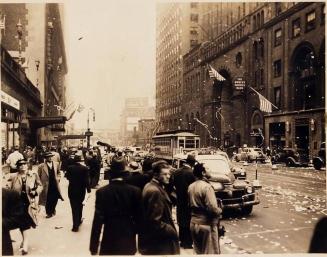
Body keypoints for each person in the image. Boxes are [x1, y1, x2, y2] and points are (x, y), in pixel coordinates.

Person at [89, 157, 142, 255]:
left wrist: (93, 247)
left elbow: (97, 221)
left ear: (111, 173)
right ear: (126, 174)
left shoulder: (102, 192)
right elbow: (140, 218)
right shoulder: (135, 191)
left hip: (109, 236)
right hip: (128, 237)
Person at [140, 160, 180, 255]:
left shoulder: (151, 186)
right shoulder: (155, 191)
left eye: (169, 174)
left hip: (156, 241)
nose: (168, 176)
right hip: (160, 243)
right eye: (165, 174)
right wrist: (172, 230)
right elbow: (155, 221)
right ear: (156, 175)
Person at [5, 159, 43, 255]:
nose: (23, 166)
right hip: (17, 204)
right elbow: (8, 188)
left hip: (29, 202)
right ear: (18, 167)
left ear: (27, 165)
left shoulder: (33, 174)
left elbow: (40, 185)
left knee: (25, 222)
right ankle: (25, 242)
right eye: (20, 165)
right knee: (23, 222)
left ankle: (24, 243)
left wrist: (36, 191)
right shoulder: (13, 176)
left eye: (24, 164)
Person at [188, 163, 222, 254]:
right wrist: (220, 210)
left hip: (194, 223)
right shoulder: (207, 187)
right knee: (210, 252)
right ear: (203, 173)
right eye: (208, 169)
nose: (210, 171)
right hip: (206, 225)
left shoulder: (191, 186)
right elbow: (213, 208)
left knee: (198, 251)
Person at [172, 154, 196, 249]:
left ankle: (181, 240)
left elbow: (173, 185)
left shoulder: (177, 172)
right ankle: (188, 243)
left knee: (181, 220)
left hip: (179, 199)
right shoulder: (191, 173)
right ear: (192, 163)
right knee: (187, 221)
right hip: (188, 201)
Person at [66, 152, 91, 232]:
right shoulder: (84, 168)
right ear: (80, 160)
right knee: (80, 206)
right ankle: (79, 220)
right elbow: (87, 180)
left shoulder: (70, 168)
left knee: (74, 208)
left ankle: (75, 226)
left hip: (72, 190)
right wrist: (88, 190)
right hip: (81, 190)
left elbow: (67, 177)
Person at [38, 152, 64, 218]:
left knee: (55, 198)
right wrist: (39, 184)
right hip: (46, 185)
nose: (50, 158)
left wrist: (58, 178)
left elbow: (58, 172)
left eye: (51, 156)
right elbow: (38, 176)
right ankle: (48, 212)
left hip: (54, 184)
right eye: (48, 157)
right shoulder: (41, 166)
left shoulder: (56, 164)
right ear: (45, 158)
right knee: (47, 198)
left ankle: (52, 209)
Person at [2, 188, 25, 256]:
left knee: (26, 223)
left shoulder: (10, 195)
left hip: (26, 199)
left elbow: (18, 217)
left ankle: (25, 241)